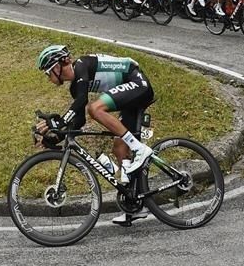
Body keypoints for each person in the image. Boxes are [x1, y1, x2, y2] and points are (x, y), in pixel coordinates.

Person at [34, 45, 155, 227]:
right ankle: (136, 206)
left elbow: (83, 102)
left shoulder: (82, 65)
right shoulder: (76, 86)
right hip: (129, 96)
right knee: (120, 149)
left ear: (58, 65)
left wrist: (56, 123)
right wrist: (54, 138)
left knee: (95, 108)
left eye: (48, 72)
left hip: (137, 82)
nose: (48, 78)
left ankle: (140, 149)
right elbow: (79, 120)